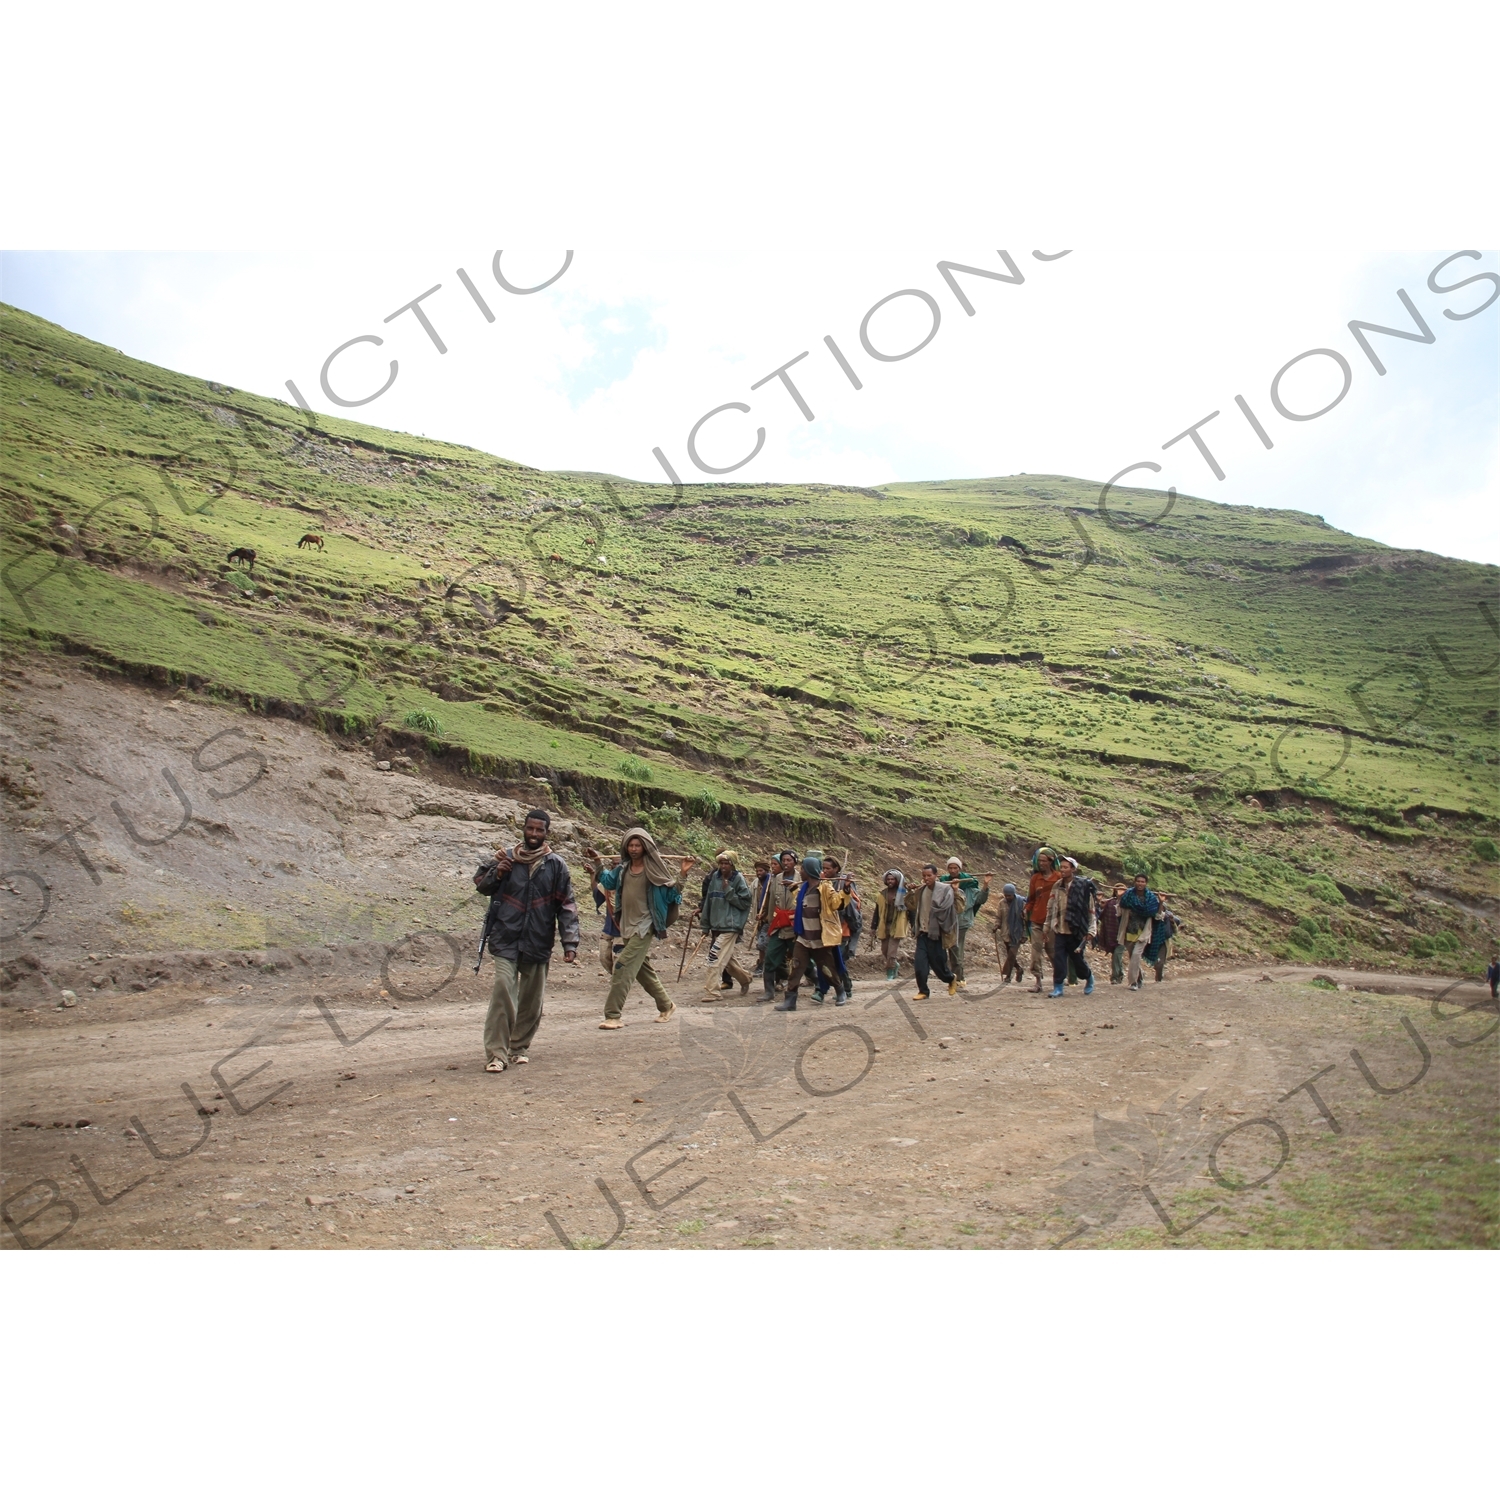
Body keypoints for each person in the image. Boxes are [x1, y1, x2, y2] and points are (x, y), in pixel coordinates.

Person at [472, 809, 581, 1073]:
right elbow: (480, 885)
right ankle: (496, 1054)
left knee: (532, 1000)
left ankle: (518, 1047)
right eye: (530, 829)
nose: (533, 834)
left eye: (539, 830)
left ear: (547, 833)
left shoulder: (556, 865)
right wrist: (497, 874)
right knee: (502, 991)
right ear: (523, 828)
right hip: (505, 937)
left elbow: (566, 905)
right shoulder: (505, 858)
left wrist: (570, 943)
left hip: (538, 940)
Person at [587, 827, 696, 1029]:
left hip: (645, 926)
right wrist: (597, 863)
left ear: (645, 848)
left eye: (638, 845)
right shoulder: (622, 870)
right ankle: (666, 1005)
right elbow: (607, 881)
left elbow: (673, 892)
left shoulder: (653, 871)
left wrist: (682, 873)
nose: (634, 849)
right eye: (631, 845)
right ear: (626, 847)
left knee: (622, 966)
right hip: (626, 925)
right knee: (642, 970)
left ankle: (612, 1015)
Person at [775, 851, 848, 1011]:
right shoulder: (803, 889)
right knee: (796, 967)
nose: (799, 872)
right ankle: (790, 1000)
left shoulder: (825, 888)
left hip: (820, 939)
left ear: (808, 871)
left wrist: (846, 890)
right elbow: (802, 903)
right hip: (803, 937)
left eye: (802, 870)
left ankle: (840, 990)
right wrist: (793, 888)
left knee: (827, 969)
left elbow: (837, 904)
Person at [698, 849, 753, 999]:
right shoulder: (714, 878)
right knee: (727, 959)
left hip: (730, 926)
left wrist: (728, 890)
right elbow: (709, 902)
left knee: (715, 957)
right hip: (716, 925)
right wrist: (705, 925)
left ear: (732, 865)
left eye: (726, 863)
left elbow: (745, 902)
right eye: (721, 863)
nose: (723, 866)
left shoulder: (738, 879)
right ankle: (745, 978)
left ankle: (712, 992)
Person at [1044, 856, 1097, 998]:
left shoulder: (1084, 887)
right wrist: (1047, 926)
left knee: (1078, 961)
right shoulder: (1057, 886)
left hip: (1077, 930)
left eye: (1066, 867)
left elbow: (1091, 910)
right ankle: (1058, 987)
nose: (1062, 870)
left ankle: (1089, 977)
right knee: (1059, 960)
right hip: (1060, 929)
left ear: (1073, 869)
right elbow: (1051, 907)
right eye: (1061, 867)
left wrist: (1091, 930)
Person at [908, 863, 959, 1000]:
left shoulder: (945, 890)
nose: (926, 878)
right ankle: (923, 991)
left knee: (939, 965)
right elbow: (911, 905)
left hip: (937, 934)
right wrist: (910, 892)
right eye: (924, 876)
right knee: (919, 964)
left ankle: (950, 979)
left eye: (929, 875)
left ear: (936, 876)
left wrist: (955, 891)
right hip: (923, 933)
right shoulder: (920, 891)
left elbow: (956, 908)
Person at [942, 857, 991, 990]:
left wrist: (986, 884)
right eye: (950, 868)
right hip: (948, 922)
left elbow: (980, 899)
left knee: (956, 949)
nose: (953, 871)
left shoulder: (969, 885)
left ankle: (959, 978)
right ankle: (956, 977)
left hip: (962, 922)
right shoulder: (944, 884)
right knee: (951, 949)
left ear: (959, 868)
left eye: (955, 868)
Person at [759, 850, 800, 1002]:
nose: (786, 863)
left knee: (801, 961)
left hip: (794, 926)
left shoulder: (801, 878)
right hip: (778, 925)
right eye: (784, 860)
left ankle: (818, 983)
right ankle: (768, 992)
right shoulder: (776, 879)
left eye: (789, 860)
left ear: (795, 862)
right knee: (770, 958)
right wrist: (770, 920)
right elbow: (771, 902)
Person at [1025, 847, 1065, 993]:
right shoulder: (1035, 879)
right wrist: (1026, 909)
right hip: (1036, 921)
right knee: (1035, 953)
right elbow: (1031, 899)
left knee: (1053, 952)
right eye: (1039, 861)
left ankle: (1058, 980)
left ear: (1050, 861)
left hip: (1053, 922)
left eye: (1043, 861)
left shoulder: (1059, 878)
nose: (1041, 863)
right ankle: (1038, 982)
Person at [1119, 873, 1159, 991]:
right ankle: (1139, 977)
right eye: (1138, 881)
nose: (1140, 884)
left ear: (1146, 883)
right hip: (1129, 930)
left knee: (1136, 955)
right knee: (1133, 957)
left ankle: (1132, 983)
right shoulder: (1128, 896)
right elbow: (1121, 907)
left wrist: (1161, 903)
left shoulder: (1151, 898)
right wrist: (1120, 897)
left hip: (1143, 931)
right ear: (1135, 882)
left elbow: (1155, 913)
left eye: (1143, 882)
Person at [871, 868, 910, 980]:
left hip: (897, 925)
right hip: (884, 925)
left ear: (897, 880)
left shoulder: (904, 894)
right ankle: (895, 965)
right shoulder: (882, 895)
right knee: (884, 950)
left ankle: (890, 972)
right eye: (888, 879)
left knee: (892, 951)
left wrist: (914, 926)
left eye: (893, 879)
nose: (890, 881)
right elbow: (877, 912)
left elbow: (911, 910)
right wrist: (873, 927)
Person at [589, 857, 625, 974]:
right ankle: (618, 979)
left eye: (619, 864)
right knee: (604, 957)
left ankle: (619, 981)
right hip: (610, 927)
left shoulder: (632, 883)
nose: (616, 866)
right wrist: (592, 875)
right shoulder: (607, 884)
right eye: (614, 864)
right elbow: (597, 895)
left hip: (626, 929)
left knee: (619, 961)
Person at [993, 881, 1027, 982]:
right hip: (1005, 933)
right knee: (1010, 955)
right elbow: (999, 917)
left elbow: (1026, 920)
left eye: (1009, 895)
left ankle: (1008, 976)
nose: (1007, 897)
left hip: (1017, 933)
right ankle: (1019, 969)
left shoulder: (1021, 903)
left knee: (1012, 954)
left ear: (1013, 894)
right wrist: (996, 925)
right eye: (1006, 895)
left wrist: (1024, 934)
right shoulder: (1001, 903)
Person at [1146, 893, 1182, 981]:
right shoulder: (1151, 916)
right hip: (1153, 941)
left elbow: (1175, 929)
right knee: (1155, 961)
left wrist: (1172, 922)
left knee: (1160, 962)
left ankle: (1159, 977)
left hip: (1164, 942)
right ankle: (1159, 973)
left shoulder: (1169, 917)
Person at [1097, 882, 1127, 985]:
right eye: (1117, 890)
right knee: (1116, 957)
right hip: (1112, 934)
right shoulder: (1110, 903)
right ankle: (1120, 974)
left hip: (1123, 935)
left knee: (1117, 956)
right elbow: (1103, 917)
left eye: (1122, 890)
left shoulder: (1128, 903)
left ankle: (1115, 977)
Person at [748, 857, 773, 977]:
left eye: (761, 871)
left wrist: (765, 914)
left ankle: (765, 966)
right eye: (757, 871)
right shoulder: (755, 884)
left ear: (766, 871)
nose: (758, 873)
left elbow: (772, 903)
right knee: (760, 942)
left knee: (764, 943)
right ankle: (761, 964)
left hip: (769, 918)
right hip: (759, 917)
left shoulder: (771, 883)